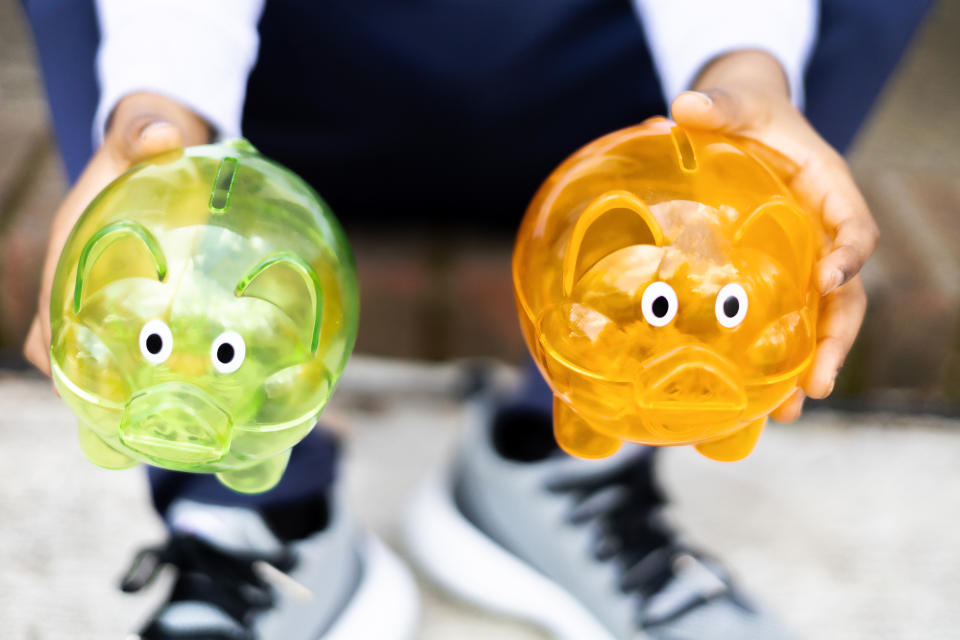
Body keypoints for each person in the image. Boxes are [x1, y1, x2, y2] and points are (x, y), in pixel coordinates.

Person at [20, 0, 932, 638]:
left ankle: (564, 458)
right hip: (293, 81)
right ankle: (252, 513)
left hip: (604, 96)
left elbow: (742, 62)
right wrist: (161, 110)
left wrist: (746, 69)